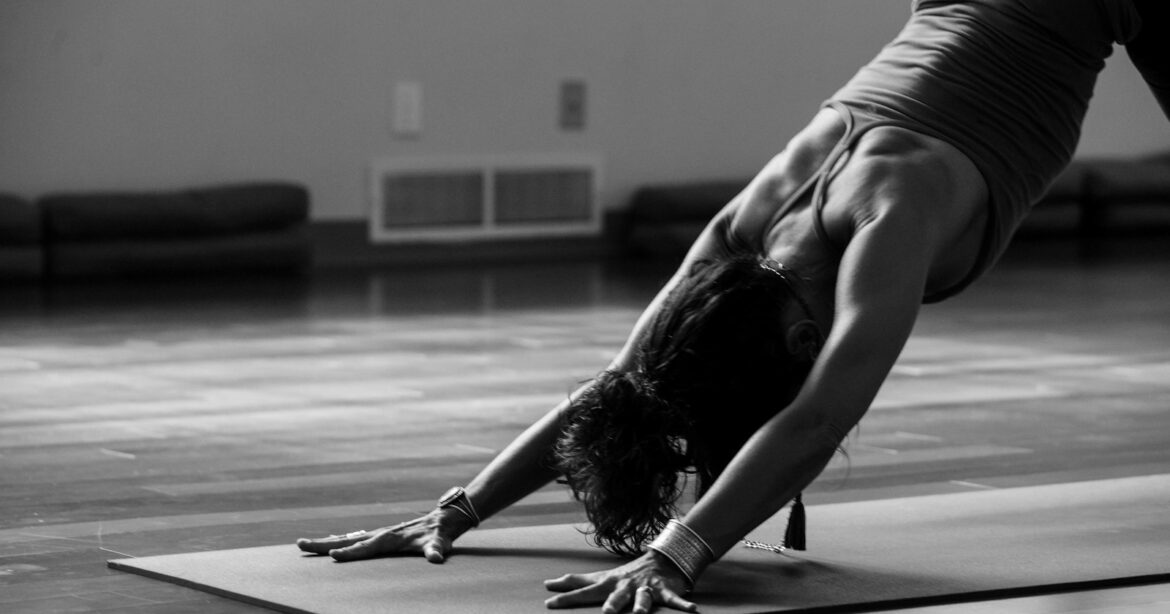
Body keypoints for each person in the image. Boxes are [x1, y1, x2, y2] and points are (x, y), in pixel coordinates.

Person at [298, 1, 1169, 611]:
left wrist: (678, 553)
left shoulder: (886, 217)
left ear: (800, 335)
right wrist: (458, 510)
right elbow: (619, 386)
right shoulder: (736, 241)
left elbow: (818, 418)